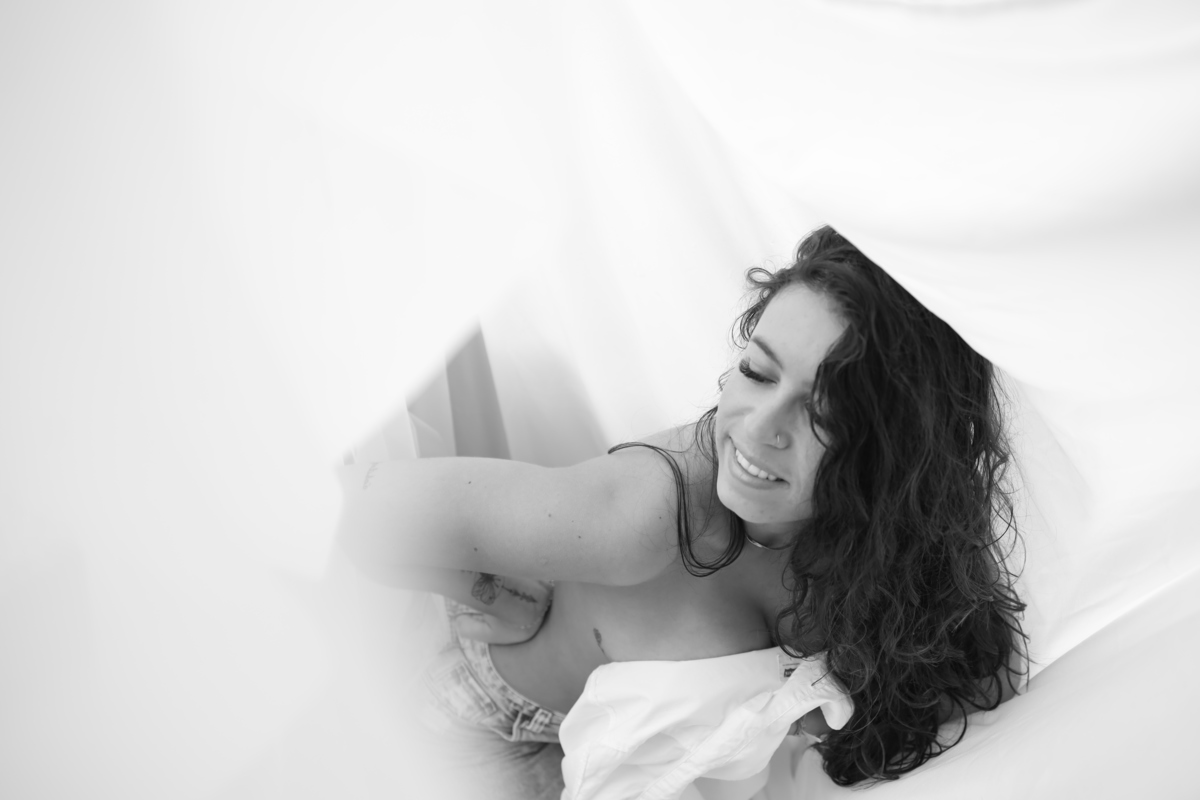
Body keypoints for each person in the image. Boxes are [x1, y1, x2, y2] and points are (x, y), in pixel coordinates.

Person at [336, 226, 1027, 797]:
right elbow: (357, 515)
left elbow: (982, 683)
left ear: (895, 461)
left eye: (823, 415)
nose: (758, 428)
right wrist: (487, 592)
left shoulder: (899, 552)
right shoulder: (641, 514)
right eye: (757, 372)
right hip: (487, 726)